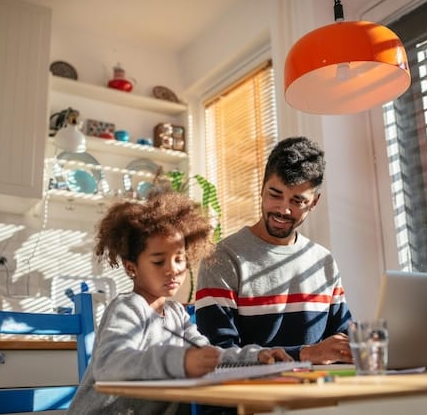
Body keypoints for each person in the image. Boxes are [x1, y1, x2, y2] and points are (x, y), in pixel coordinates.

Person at [68, 191, 292, 415]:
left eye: (179, 259)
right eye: (159, 261)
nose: (173, 269)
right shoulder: (127, 308)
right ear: (131, 267)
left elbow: (209, 355)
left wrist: (256, 357)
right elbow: (110, 366)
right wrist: (180, 361)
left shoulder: (176, 313)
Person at [195, 136, 353, 364]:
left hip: (314, 393)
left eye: (297, 201)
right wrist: (306, 354)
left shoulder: (323, 261)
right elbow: (219, 356)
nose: (283, 210)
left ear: (314, 202)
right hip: (248, 397)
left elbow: (341, 341)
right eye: (275, 195)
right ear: (262, 188)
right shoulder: (223, 258)